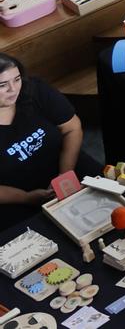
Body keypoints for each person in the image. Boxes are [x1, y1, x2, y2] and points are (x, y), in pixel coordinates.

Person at [0, 53, 84, 224]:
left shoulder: (35, 90)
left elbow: (72, 128)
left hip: (65, 165)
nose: (13, 89)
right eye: (2, 85)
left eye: (17, 79)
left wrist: (65, 175)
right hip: (13, 196)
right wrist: (26, 198)